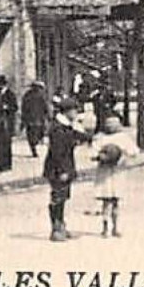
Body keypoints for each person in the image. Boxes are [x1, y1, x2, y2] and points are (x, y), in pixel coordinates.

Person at [43, 96, 87, 242]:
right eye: (75, 110)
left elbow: (81, 136)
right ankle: (55, 229)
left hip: (65, 166)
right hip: (57, 168)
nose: (76, 113)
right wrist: (62, 171)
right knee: (57, 198)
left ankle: (61, 225)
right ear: (67, 111)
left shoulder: (66, 126)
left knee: (63, 196)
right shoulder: (58, 128)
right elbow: (57, 152)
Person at [92, 115, 138, 238]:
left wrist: (123, 154)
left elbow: (134, 151)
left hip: (118, 171)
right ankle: (105, 227)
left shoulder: (123, 138)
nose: (111, 126)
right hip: (105, 171)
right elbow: (93, 153)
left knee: (116, 200)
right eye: (108, 124)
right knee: (106, 200)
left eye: (114, 124)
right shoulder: (101, 138)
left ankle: (115, 227)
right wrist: (101, 156)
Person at [20, 81, 49, 158]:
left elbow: (45, 107)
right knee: (33, 135)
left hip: (36, 119)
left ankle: (34, 146)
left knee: (36, 135)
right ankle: (34, 150)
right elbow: (24, 108)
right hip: (33, 119)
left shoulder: (40, 96)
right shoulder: (28, 96)